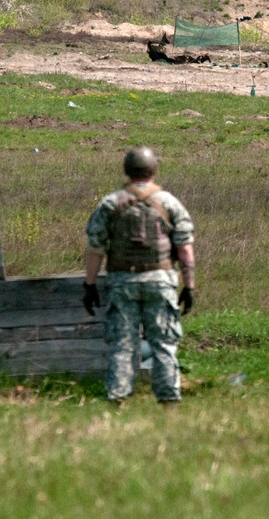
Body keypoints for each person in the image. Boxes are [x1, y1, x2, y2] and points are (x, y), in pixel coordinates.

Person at [83, 146, 196, 406]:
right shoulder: (169, 203)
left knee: (122, 343)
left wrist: (89, 285)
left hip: (122, 281)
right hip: (161, 280)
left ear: (127, 170)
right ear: (153, 170)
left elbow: (95, 248)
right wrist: (188, 286)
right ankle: (169, 399)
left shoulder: (111, 203)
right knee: (164, 343)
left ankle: (118, 399)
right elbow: (185, 248)